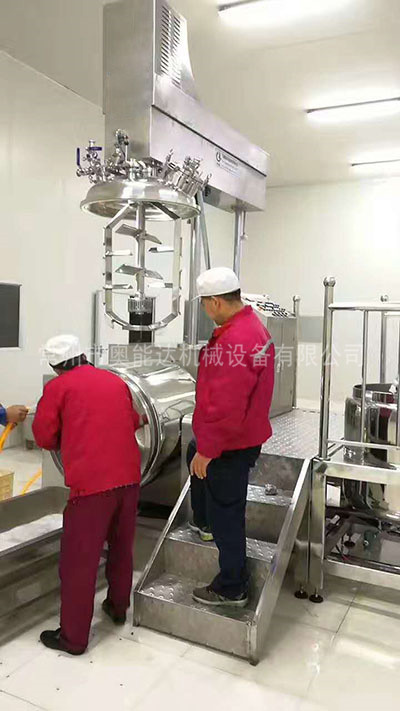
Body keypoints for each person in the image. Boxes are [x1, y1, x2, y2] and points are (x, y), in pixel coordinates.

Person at [32, 335, 141, 655]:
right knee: (121, 547)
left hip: (91, 487)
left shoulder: (58, 388)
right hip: (129, 479)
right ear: (82, 356)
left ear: (56, 366)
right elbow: (134, 420)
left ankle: (73, 638)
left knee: (79, 561)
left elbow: (44, 436)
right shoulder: (115, 381)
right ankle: (118, 607)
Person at [188, 267, 275, 608]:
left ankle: (231, 586)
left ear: (215, 302)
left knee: (227, 513)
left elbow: (225, 406)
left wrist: (209, 450)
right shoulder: (252, 327)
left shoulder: (234, 341)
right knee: (195, 457)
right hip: (245, 434)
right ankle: (203, 521)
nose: (204, 310)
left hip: (230, 443)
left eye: (203, 304)